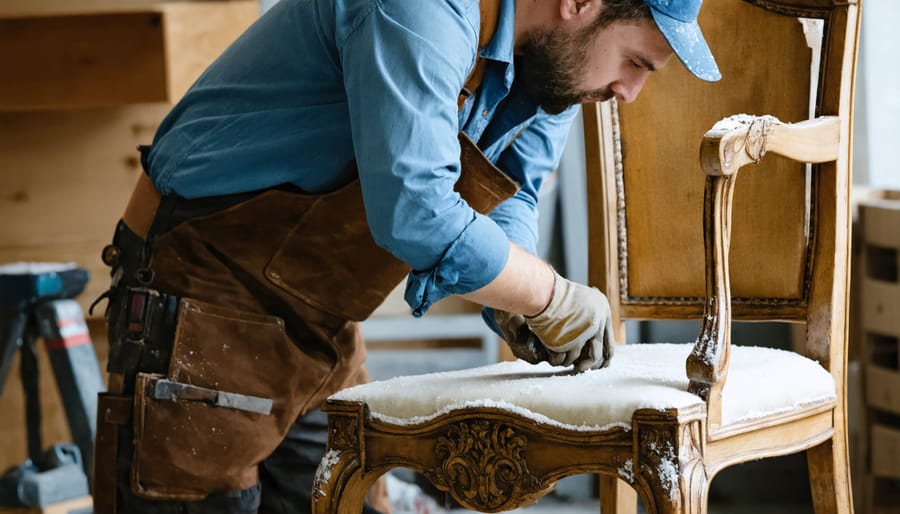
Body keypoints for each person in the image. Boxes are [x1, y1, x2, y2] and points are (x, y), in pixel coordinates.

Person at [92, 0, 720, 512]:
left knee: (350, 501)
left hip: (318, 319)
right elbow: (416, 211)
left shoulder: (552, 71)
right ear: (578, 4)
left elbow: (515, 193)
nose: (630, 91)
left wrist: (516, 301)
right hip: (203, 287)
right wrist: (548, 295)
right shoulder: (420, 9)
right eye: (635, 61)